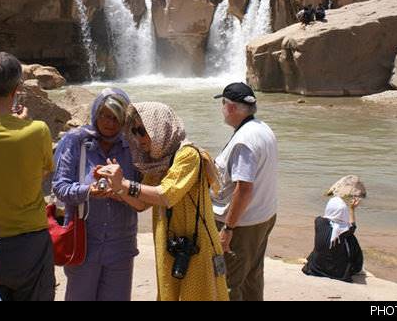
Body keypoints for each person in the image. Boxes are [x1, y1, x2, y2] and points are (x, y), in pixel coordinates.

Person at [98, 102, 229, 301]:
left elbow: (165, 195)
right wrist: (116, 188)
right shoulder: (158, 161)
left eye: (142, 130)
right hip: (171, 245)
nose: (138, 138)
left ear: (159, 127)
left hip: (196, 246)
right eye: (134, 131)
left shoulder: (188, 155)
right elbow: (142, 204)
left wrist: (124, 184)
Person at [0, 52, 55, 301]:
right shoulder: (38, 131)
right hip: (30, 243)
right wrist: (23, 125)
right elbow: (41, 173)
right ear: (18, 88)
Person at [52, 88, 140, 301]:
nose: (110, 123)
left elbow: (143, 192)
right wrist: (89, 191)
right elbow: (60, 187)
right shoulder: (76, 142)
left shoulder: (133, 146)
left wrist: (121, 190)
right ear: (95, 114)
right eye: (105, 116)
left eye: (117, 118)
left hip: (121, 243)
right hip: (83, 241)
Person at [211, 82, 278, 301]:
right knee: (252, 277)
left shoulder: (243, 141)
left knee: (229, 282)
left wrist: (228, 228)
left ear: (230, 108)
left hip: (242, 224)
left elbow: (244, 188)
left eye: (222, 104)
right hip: (263, 216)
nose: (222, 109)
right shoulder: (263, 129)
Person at [301, 196, 363, 283]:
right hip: (337, 272)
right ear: (344, 212)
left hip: (315, 267)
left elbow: (328, 219)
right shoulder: (346, 230)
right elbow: (353, 225)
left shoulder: (318, 221)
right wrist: (352, 208)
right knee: (351, 238)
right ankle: (356, 266)